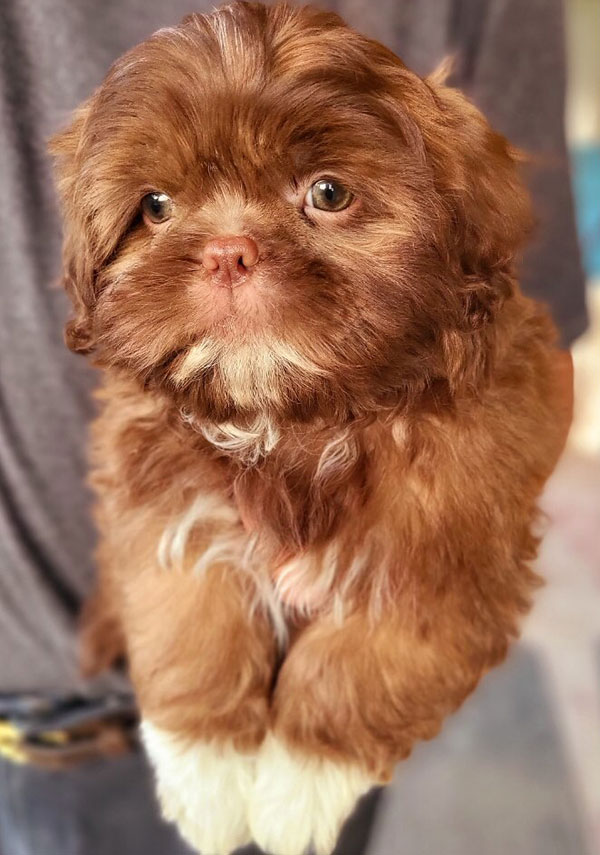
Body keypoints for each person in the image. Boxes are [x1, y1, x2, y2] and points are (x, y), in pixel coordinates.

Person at [0, 0, 583, 853]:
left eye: (328, 194)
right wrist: (192, 704)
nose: (226, 251)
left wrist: (346, 714)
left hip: (318, 718)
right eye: (157, 207)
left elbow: (546, 341)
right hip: (44, 712)